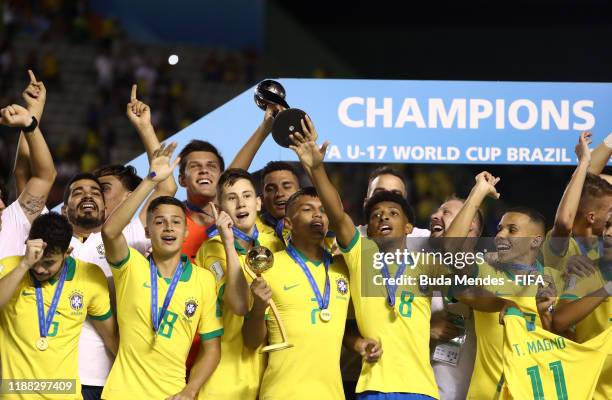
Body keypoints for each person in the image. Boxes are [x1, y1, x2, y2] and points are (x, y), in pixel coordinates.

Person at [289, 117, 446, 399]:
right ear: (368, 228)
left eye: (393, 213)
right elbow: (336, 213)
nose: (383, 216)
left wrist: (477, 193)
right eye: (375, 215)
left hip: (421, 388)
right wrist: (315, 168)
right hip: (371, 386)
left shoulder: (423, 261)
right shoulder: (362, 253)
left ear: (409, 227)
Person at [62, 86, 177, 400]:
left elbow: (166, 183)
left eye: (103, 188)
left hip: (111, 372)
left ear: (129, 196)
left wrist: (144, 128)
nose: (92, 193)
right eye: (84, 190)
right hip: (58, 373)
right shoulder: (58, 236)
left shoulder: (134, 233)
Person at [101, 143, 222, 400]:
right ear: (147, 231)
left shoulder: (203, 280)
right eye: (159, 222)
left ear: (185, 231)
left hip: (172, 394)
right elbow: (110, 232)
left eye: (176, 222)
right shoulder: (131, 266)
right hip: (121, 394)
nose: (168, 228)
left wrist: (190, 391)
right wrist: (150, 179)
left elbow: (212, 348)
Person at [444, 171, 564, 399]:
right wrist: (477, 194)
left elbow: (569, 344)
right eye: (499, 228)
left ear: (536, 240)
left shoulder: (555, 280)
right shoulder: (483, 270)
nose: (500, 235)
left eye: (512, 230)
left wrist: (548, 313)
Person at [242, 187, 353, 399]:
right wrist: (258, 307)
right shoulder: (269, 268)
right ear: (288, 223)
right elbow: (251, 341)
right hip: (282, 393)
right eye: (307, 209)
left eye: (323, 210)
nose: (317, 214)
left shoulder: (343, 268)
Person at [0, 212, 117, 400]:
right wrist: (24, 264)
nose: (39, 269)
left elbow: (111, 338)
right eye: (35, 261)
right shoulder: (9, 268)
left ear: (67, 252)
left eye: (49, 263)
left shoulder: (89, 275)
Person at [196, 168, 285, 399]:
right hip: (223, 380)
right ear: (220, 208)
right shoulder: (212, 248)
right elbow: (239, 305)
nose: (240, 204)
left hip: (268, 378)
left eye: (246, 196)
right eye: (231, 198)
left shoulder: (276, 244)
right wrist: (227, 241)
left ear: (258, 203)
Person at [552, 212, 612, 399]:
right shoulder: (584, 271)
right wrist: (608, 288)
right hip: (589, 392)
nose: (608, 233)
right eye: (608, 225)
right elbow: (559, 321)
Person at [0, 70, 56, 259]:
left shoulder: (10, 223)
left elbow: (38, 175)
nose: (1, 204)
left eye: (1, 198)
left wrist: (30, 118)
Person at [543, 132, 612, 271]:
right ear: (591, 216)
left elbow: (587, 186)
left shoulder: (602, 252)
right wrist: (584, 162)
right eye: (610, 210)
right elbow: (565, 221)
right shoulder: (565, 248)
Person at [177, 140, 225, 260]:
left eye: (211, 166)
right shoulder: (172, 223)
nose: (204, 170)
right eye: (194, 166)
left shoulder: (236, 217)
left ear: (222, 177)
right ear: (182, 179)